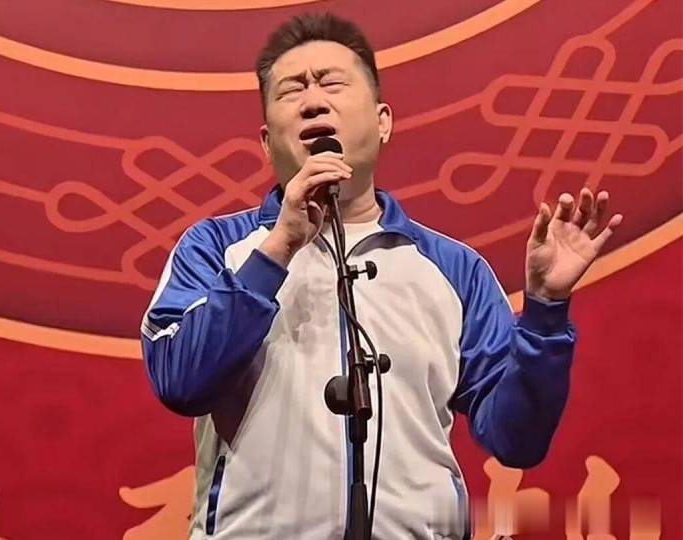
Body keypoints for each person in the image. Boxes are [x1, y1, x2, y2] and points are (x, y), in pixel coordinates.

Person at [141, 13, 623, 540]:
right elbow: (181, 380)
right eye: (292, 91)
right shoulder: (215, 248)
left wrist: (546, 312)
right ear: (265, 140)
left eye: (332, 84)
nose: (313, 102)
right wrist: (277, 249)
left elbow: (517, 439)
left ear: (383, 121)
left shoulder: (454, 270)